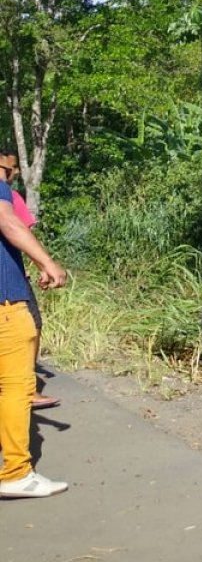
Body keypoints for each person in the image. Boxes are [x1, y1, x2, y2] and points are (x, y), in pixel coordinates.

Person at [0, 159, 68, 498]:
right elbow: (7, 221)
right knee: (15, 386)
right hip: (5, 303)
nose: (7, 174)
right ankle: (16, 472)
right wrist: (47, 262)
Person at [0, 153, 58, 409]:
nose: (13, 175)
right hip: (9, 285)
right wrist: (45, 264)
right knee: (30, 327)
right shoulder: (7, 195)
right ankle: (27, 389)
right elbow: (18, 230)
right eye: (11, 169)